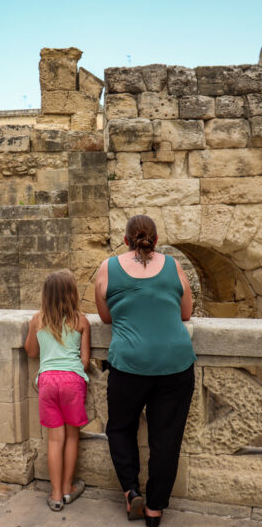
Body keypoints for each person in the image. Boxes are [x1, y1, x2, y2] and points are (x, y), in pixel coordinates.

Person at [95, 215, 196, 525]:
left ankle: (130, 491)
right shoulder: (173, 266)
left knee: (120, 429)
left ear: (126, 240)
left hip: (129, 366)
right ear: (156, 239)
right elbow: (187, 312)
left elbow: (106, 317)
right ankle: (155, 509)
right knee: (166, 438)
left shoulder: (107, 268)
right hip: (175, 365)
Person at [25, 269, 91, 512]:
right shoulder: (81, 321)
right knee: (72, 436)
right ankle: (67, 489)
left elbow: (31, 351)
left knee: (55, 438)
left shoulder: (37, 320)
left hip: (47, 382)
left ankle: (54, 495)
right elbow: (84, 361)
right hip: (72, 381)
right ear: (72, 293)